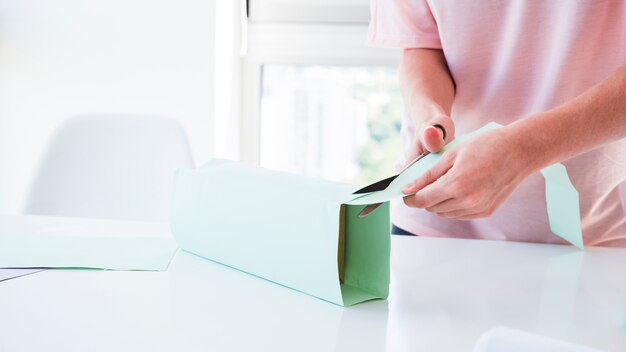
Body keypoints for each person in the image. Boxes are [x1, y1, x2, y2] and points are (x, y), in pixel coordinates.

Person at [367, 1, 626, 247]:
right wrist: (429, 117)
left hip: (592, 234)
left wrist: (525, 149)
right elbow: (422, 46)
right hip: (431, 228)